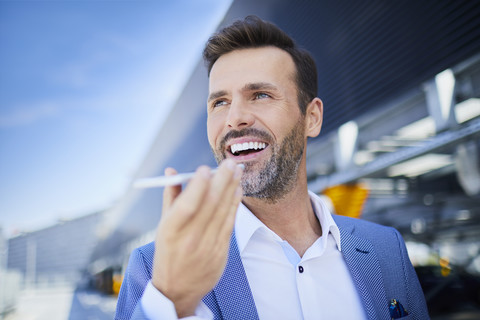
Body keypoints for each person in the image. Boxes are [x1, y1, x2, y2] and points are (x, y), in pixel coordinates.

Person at [115, 16, 429, 320]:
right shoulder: (155, 269)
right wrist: (173, 303)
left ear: (312, 117)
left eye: (261, 95)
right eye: (219, 102)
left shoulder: (386, 248)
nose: (235, 117)